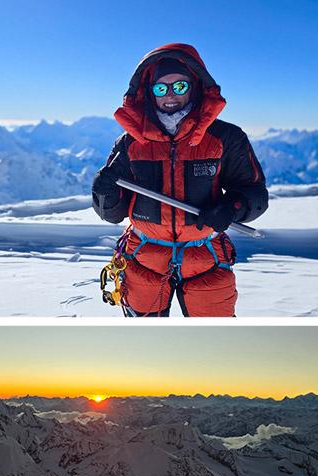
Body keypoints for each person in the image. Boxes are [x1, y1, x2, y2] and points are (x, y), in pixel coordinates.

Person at [92, 43, 268, 316]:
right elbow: (113, 213)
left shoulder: (226, 138)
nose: (170, 95)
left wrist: (230, 208)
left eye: (180, 86)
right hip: (144, 257)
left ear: (195, 86)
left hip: (205, 257)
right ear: (149, 93)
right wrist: (104, 194)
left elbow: (254, 193)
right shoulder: (130, 143)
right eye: (161, 88)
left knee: (214, 343)